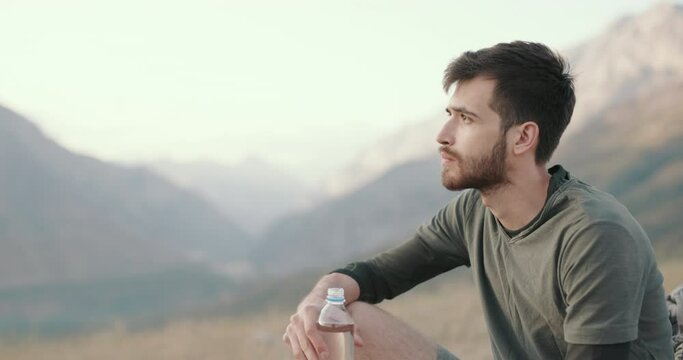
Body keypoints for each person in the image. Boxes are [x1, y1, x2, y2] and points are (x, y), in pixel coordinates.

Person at [282, 41, 673, 360]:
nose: (442, 135)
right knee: (338, 320)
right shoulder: (473, 212)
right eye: (449, 114)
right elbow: (375, 275)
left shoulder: (593, 234)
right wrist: (319, 301)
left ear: (522, 138)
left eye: (466, 119)